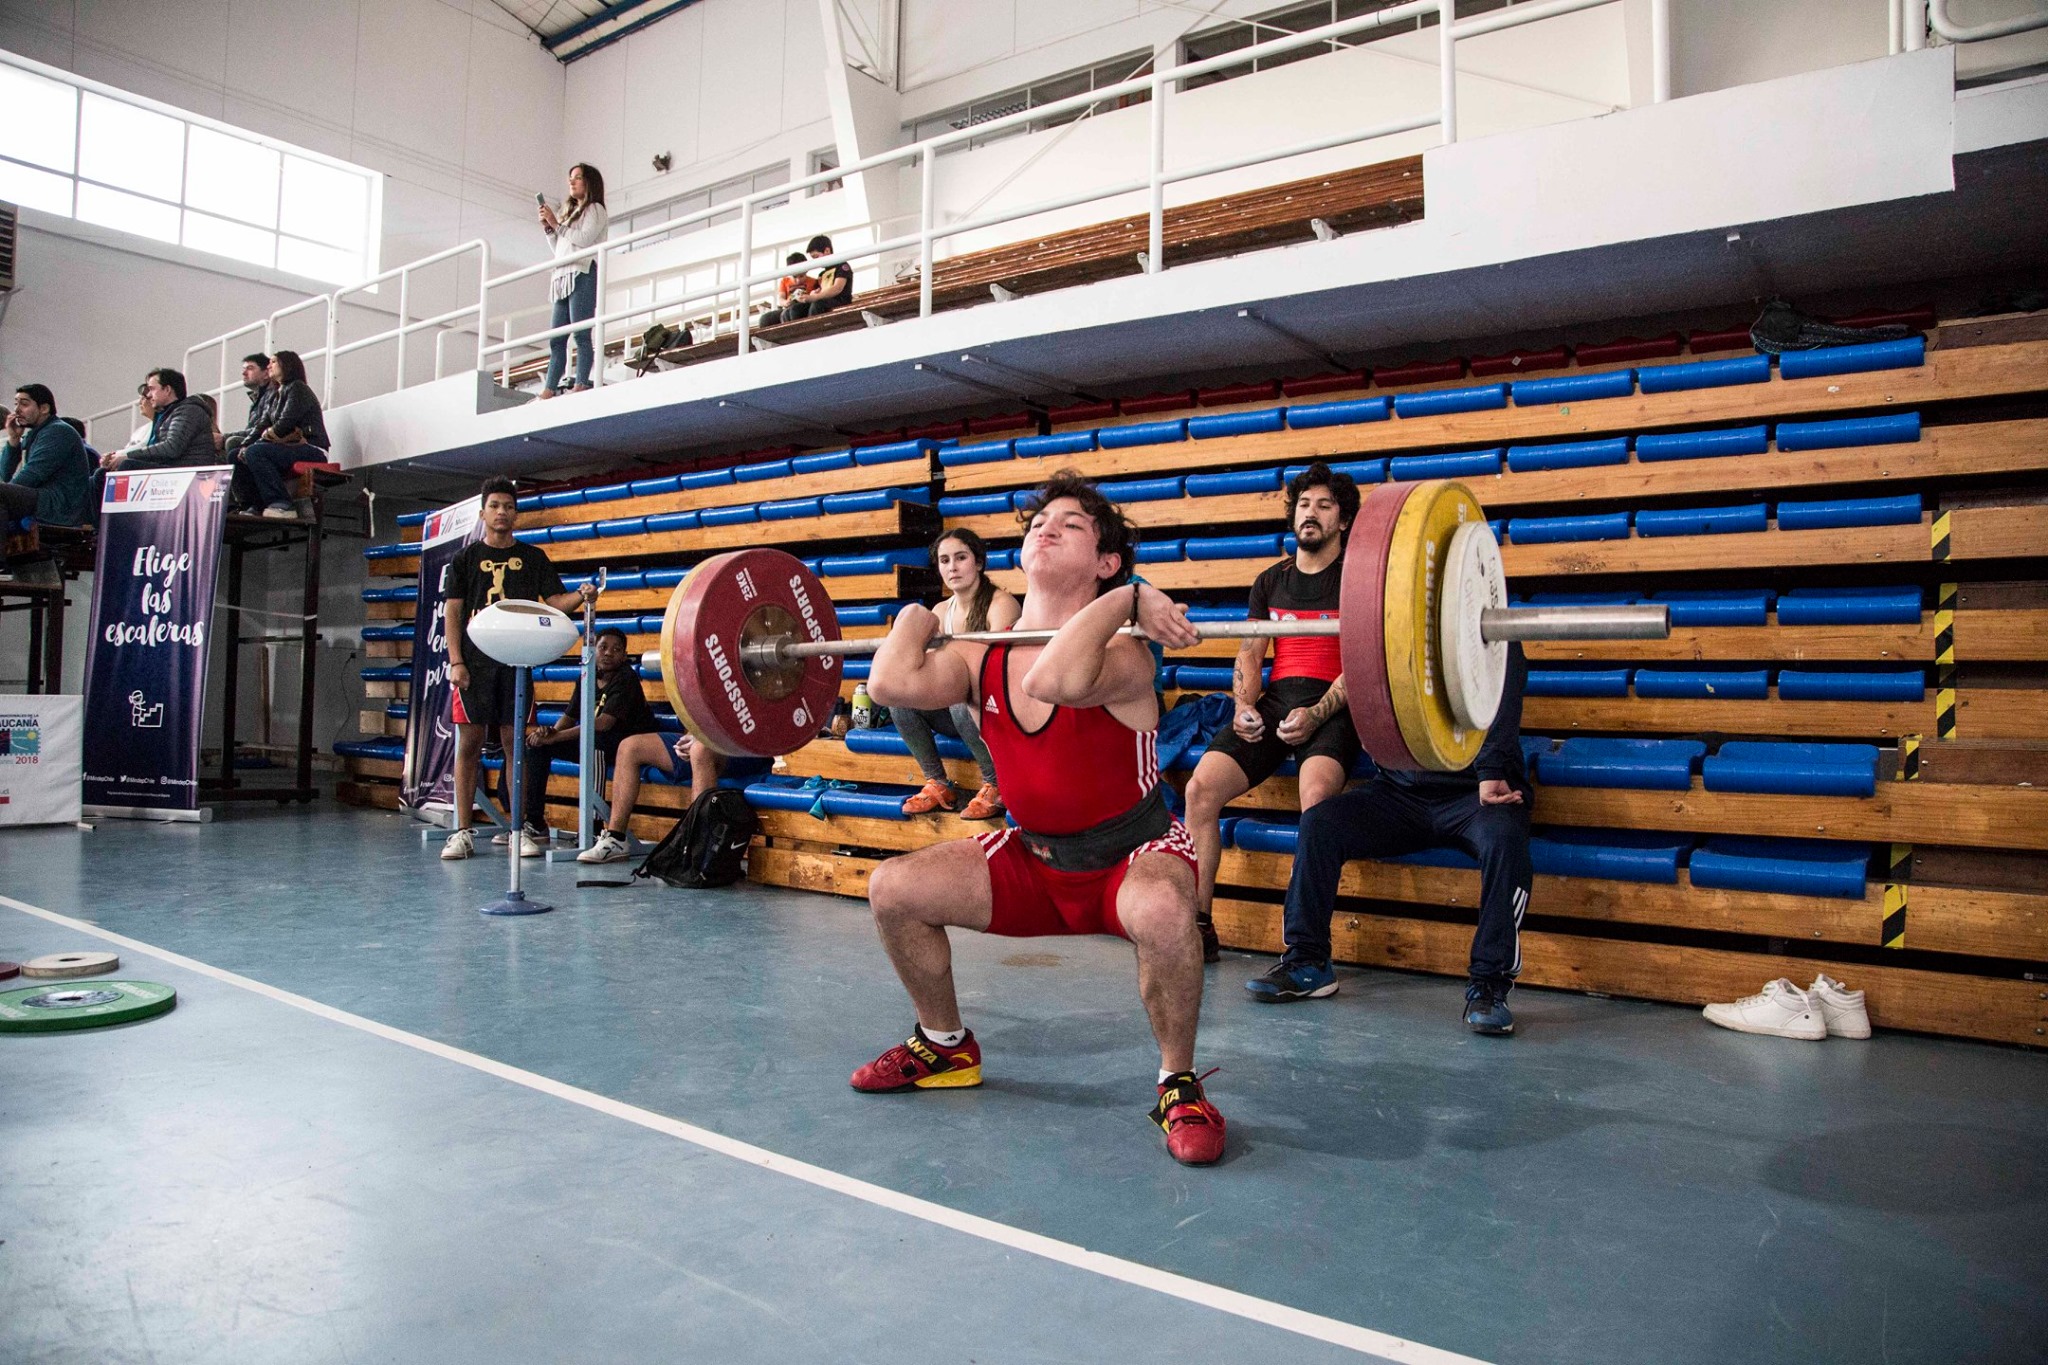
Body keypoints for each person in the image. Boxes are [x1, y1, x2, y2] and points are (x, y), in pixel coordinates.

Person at [855, 471, 1228, 1167]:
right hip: (1035, 860)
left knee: (1169, 913)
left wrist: (1129, 602)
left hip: (1133, 856)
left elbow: (1052, 678)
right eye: (1036, 523)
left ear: (1107, 561)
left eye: (1072, 524)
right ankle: (944, 1046)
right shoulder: (978, 655)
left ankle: (1178, 1083)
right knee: (893, 889)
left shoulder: (1128, 652)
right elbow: (888, 684)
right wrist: (914, 620)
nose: (1045, 528)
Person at [1247, 645, 1532, 1036]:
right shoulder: (1392, 626)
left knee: (1505, 839)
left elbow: (1504, 696)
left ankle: (1489, 986)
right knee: (1320, 824)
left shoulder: (1490, 631)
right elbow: (1365, 688)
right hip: (1402, 792)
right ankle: (1307, 961)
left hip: (1475, 795)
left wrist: (1492, 769)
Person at [1183, 462, 1363, 963]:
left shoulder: (1358, 578)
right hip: (1277, 699)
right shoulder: (1271, 579)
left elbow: (1364, 661)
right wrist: (1243, 707)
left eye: (1324, 506)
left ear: (1342, 521)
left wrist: (1319, 712)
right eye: (1304, 504)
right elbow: (1250, 651)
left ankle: (1305, 945)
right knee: (1199, 789)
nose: (1311, 513)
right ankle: (1200, 925)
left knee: (1317, 801)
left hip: (1336, 703)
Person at [441, 476, 599, 861]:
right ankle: (462, 831)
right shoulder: (464, 560)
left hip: (517, 663)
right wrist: (456, 660)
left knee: (517, 746)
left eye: (508, 506)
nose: (502, 512)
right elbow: (453, 611)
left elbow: (556, 601)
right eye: (495, 505)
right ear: (483, 513)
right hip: (474, 667)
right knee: (469, 745)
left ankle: (517, 827)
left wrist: (582, 594)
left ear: (516, 514)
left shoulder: (533, 558)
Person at [897, 528, 1015, 820]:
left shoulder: (1001, 604)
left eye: (961, 558)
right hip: (959, 710)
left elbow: (1000, 669)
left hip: (999, 709)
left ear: (978, 562)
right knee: (900, 700)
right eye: (944, 560)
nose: (952, 567)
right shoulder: (939, 611)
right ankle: (937, 782)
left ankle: (997, 785)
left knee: (963, 701)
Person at [517, 626, 659, 851]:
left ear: (623, 656)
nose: (608, 653)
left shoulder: (626, 679)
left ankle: (592, 829)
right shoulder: (587, 675)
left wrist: (557, 737)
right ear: (594, 650)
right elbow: (569, 716)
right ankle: (535, 821)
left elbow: (603, 724)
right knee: (536, 747)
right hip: (597, 742)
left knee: (595, 747)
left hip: (627, 745)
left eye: (616, 649)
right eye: (603, 647)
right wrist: (549, 734)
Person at [577, 729, 721, 864]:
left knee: (699, 749)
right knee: (629, 747)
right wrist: (689, 736)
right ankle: (616, 839)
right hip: (700, 737)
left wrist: (701, 738)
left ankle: (697, 849)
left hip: (733, 744)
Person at [538, 163, 609, 397]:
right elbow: (560, 248)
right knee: (557, 338)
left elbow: (585, 239)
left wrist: (557, 225)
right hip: (562, 276)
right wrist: (550, 229)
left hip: (583, 272)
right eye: (571, 178)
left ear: (589, 182)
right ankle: (549, 387)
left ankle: (581, 382)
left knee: (581, 333)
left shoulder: (595, 209)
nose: (572, 182)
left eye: (578, 178)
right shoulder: (569, 213)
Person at [233, 351, 330, 519]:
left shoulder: (298, 388)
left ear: (287, 365)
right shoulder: (276, 394)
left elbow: (285, 423)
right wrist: (245, 445)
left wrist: (255, 444)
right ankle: (255, 505)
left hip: (313, 449)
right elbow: (261, 425)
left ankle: (282, 504)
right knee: (234, 455)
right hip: (289, 447)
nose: (269, 366)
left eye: (273, 362)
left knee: (256, 452)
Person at [2, 384, 94, 528]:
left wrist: (7, 493)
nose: (17, 410)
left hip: (59, 506)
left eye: (24, 404)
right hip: (43, 499)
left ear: (44, 408)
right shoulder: (36, 434)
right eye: (16, 404)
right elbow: (4, 474)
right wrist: (14, 440)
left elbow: (31, 476)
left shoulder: (58, 431)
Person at [102, 369, 214, 470]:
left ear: (167, 389)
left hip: (188, 473)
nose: (149, 395)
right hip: (175, 469)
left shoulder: (188, 411)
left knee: (127, 465)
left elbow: (171, 448)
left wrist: (128, 456)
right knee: (102, 472)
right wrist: (116, 457)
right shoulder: (169, 414)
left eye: (152, 389)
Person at [222, 353, 276, 456]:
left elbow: (263, 429)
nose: (244, 373)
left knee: (232, 442)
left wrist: (224, 437)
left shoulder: (272, 395)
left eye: (250, 368)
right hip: (261, 441)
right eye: (244, 369)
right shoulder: (258, 399)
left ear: (266, 374)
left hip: (269, 443)